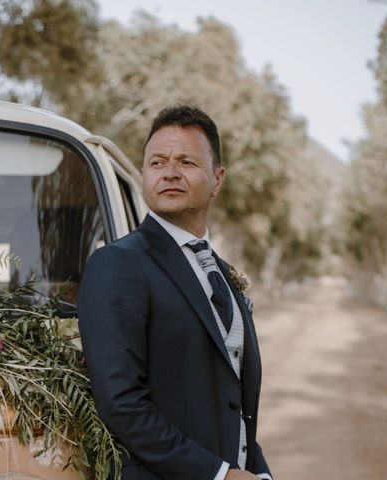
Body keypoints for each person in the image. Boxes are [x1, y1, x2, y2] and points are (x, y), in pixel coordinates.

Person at [78, 105, 272, 480]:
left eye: (186, 162)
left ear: (217, 179)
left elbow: (235, 404)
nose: (169, 172)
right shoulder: (118, 264)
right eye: (157, 162)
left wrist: (257, 471)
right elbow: (122, 404)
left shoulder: (223, 273)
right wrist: (220, 475)